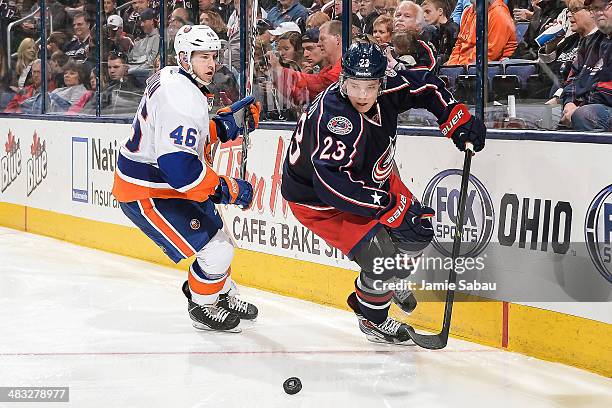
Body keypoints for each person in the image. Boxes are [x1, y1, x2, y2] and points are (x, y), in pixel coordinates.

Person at [281, 41, 486, 344]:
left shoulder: (388, 90)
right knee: (382, 260)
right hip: (319, 201)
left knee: (417, 232)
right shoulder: (336, 119)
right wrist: (391, 206)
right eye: (354, 86)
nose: (362, 95)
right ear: (342, 81)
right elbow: (332, 187)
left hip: (373, 175)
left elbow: (427, 86)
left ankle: (390, 279)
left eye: (370, 86)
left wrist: (455, 118)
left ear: (381, 82)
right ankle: (372, 318)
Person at [112, 25, 262, 333]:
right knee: (216, 250)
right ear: (184, 58)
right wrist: (228, 189)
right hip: (148, 192)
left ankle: (219, 293)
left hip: (164, 181)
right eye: (203, 57)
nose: (211, 64)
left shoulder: (173, 78)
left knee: (220, 240)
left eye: (214, 56)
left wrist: (223, 126)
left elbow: (175, 134)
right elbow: (181, 171)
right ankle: (202, 304)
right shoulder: (181, 98)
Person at [560, 0, 611, 131]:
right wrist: (569, 103)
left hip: (602, 107)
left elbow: (607, 93)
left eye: (604, 7)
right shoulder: (590, 41)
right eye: (594, 8)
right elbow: (571, 79)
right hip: (585, 106)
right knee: (544, 114)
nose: (599, 12)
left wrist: (579, 107)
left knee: (584, 115)